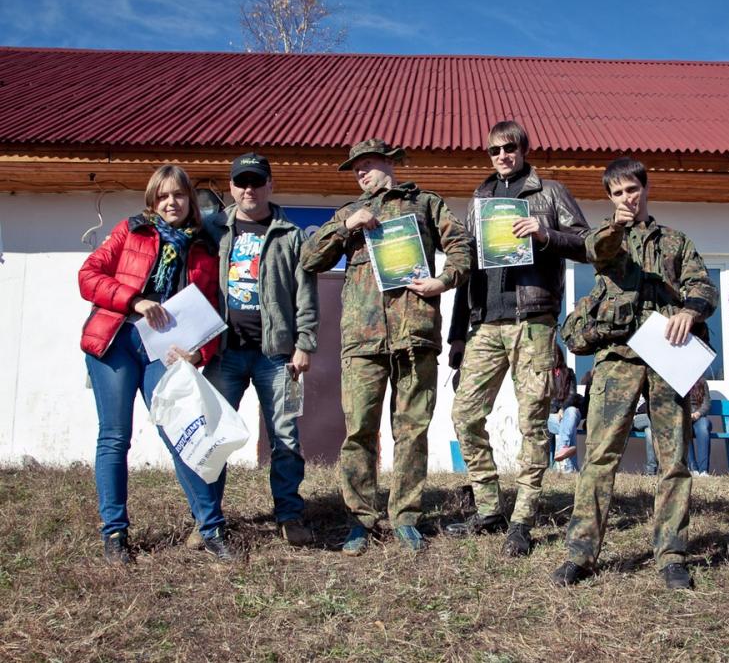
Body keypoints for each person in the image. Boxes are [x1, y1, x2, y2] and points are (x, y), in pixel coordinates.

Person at [551, 157, 718, 588]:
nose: (628, 197)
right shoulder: (606, 239)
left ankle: (672, 554)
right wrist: (618, 226)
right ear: (610, 198)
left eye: (633, 189)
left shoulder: (677, 241)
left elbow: (703, 285)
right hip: (617, 360)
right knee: (600, 458)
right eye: (619, 192)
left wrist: (688, 310)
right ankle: (581, 554)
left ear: (646, 188)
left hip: (668, 358)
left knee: (674, 461)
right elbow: (598, 251)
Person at [300, 138, 471, 554]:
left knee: (412, 429)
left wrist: (443, 281)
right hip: (363, 339)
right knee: (359, 430)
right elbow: (309, 259)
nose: (361, 173)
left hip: (415, 335)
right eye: (355, 168)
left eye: (368, 164)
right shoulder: (348, 213)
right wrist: (345, 227)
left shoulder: (426, 204)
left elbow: (462, 247)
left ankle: (406, 517)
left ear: (390, 164)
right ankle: (360, 519)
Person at [445, 120, 590, 557]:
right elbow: (467, 267)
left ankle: (523, 519)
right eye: (494, 150)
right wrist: (457, 335)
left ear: (525, 149)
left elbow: (586, 244)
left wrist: (545, 234)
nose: (503, 155)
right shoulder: (479, 199)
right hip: (485, 324)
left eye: (510, 148)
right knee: (465, 414)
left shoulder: (549, 193)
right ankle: (489, 507)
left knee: (533, 423)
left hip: (534, 321)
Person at [78, 164, 232, 563]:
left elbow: (211, 308)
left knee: (181, 435)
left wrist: (201, 353)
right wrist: (135, 300)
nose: (171, 202)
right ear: (152, 200)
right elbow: (88, 276)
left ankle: (211, 529)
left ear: (190, 201)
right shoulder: (130, 231)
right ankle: (115, 534)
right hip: (117, 341)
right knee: (114, 437)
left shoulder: (202, 247)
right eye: (163, 195)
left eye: (178, 195)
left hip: (163, 351)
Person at [201, 153, 319, 547]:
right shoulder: (213, 229)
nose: (248, 189)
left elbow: (306, 294)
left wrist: (305, 344)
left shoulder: (290, 234)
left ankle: (289, 515)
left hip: (277, 355)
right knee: (212, 437)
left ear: (270, 185)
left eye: (256, 181)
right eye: (240, 182)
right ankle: (207, 520)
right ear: (231, 187)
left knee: (285, 438)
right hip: (224, 353)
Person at [548, 346, 583, 472]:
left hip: (568, 413)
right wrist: (556, 410)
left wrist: (563, 408)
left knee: (572, 412)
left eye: (554, 355)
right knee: (569, 428)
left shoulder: (569, 372)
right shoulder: (544, 375)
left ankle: (562, 447)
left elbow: (572, 394)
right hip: (551, 417)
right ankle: (570, 469)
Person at [686, 378, 713, 476]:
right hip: (685, 418)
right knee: (683, 427)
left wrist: (698, 413)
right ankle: (693, 469)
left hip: (699, 418)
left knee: (703, 428)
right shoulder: (678, 382)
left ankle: (704, 470)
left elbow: (707, 403)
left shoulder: (702, 382)